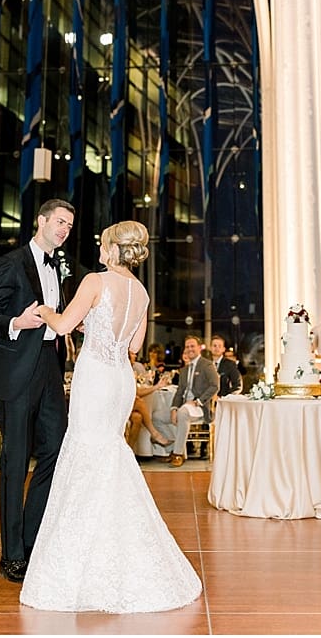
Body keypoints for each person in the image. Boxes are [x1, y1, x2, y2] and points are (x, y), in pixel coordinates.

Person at [19, 220, 201, 612]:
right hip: (120, 379)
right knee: (109, 454)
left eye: (103, 243)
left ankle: (81, 557)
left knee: (86, 454)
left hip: (96, 378)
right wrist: (94, 327)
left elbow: (66, 324)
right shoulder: (140, 291)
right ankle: (117, 547)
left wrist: (48, 311)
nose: (99, 249)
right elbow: (133, 345)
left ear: (114, 249)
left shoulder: (95, 282)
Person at [0, 198, 74, 583]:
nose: (65, 229)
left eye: (69, 225)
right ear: (41, 221)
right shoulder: (11, 263)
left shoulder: (60, 267)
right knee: (15, 464)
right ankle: (12, 554)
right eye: (60, 222)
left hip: (51, 367)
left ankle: (33, 540)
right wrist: (16, 321)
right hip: (16, 370)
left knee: (55, 450)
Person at [152, 336, 219, 467]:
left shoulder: (207, 365)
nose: (189, 349)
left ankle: (178, 454)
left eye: (192, 346)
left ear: (199, 348)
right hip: (184, 406)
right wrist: (173, 408)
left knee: (183, 412)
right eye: (187, 346)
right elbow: (179, 391)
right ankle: (173, 448)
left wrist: (197, 401)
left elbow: (215, 386)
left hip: (200, 407)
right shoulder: (184, 370)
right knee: (157, 417)